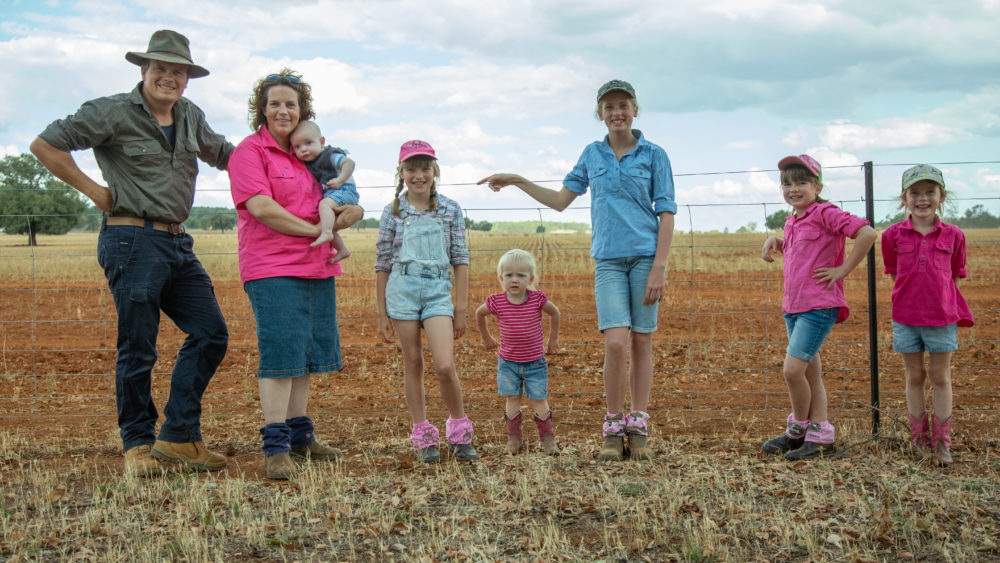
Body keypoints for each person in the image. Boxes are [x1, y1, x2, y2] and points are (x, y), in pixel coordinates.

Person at [30, 30, 232, 477]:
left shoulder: (190, 116)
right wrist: (94, 192)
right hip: (131, 240)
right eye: (160, 68)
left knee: (211, 333)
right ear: (143, 70)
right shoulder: (111, 112)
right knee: (139, 346)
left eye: (178, 72)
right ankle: (137, 444)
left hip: (179, 241)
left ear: (187, 79)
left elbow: (227, 156)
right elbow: (45, 144)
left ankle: (179, 437)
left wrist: (298, 162)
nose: (169, 78)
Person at [479, 79, 675, 462]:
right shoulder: (592, 155)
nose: (616, 112)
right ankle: (612, 424)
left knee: (641, 342)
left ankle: (638, 427)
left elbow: (666, 213)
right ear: (600, 114)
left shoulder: (654, 154)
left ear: (635, 109)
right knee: (616, 342)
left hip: (645, 258)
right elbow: (559, 201)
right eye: (608, 107)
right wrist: (518, 180)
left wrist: (659, 267)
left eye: (623, 105)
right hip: (608, 260)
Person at [228, 70, 364, 480]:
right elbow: (262, 209)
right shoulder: (251, 152)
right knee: (281, 353)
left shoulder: (312, 152)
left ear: (302, 109)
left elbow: (341, 195)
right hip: (272, 267)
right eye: (275, 103)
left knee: (305, 353)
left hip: (316, 265)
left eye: (291, 103)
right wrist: (319, 232)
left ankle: (302, 439)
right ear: (262, 110)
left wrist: (350, 214)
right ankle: (275, 447)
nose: (283, 110)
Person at [760, 154, 877, 460]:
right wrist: (777, 240)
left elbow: (867, 233)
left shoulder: (826, 213)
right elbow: (804, 251)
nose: (793, 189)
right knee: (811, 372)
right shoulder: (793, 220)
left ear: (817, 186)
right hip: (794, 306)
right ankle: (818, 434)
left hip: (818, 306)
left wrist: (843, 270)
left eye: (801, 182)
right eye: (787, 183)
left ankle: (798, 429)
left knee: (792, 370)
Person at [376, 140, 478, 463]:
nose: (418, 175)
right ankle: (422, 435)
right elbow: (382, 264)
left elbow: (460, 258)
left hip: (437, 292)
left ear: (435, 171)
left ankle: (459, 433)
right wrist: (381, 313)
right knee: (414, 362)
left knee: (445, 365)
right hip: (402, 291)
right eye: (411, 168)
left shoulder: (450, 209)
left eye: (424, 168)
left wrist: (459, 308)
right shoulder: (393, 211)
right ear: (401, 172)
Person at [881, 165, 973, 466]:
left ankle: (942, 443)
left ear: (941, 196)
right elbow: (894, 274)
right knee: (915, 375)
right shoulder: (892, 235)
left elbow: (955, 276)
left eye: (930, 192)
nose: (923, 199)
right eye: (915, 193)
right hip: (905, 316)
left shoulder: (955, 235)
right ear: (904, 198)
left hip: (942, 317)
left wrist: (940, 301)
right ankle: (918, 440)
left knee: (940, 376)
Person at [475, 249, 561, 455]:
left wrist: (553, 339)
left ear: (530, 279)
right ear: (501, 278)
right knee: (512, 398)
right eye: (509, 275)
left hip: (535, 362)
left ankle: (548, 440)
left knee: (539, 399)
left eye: (521, 275)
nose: (515, 280)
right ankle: (514, 440)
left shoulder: (537, 299)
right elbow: (479, 313)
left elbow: (555, 312)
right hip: (508, 363)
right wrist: (486, 337)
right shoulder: (497, 301)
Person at [289, 120, 359, 262]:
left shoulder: (329, 155)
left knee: (324, 206)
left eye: (308, 143)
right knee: (328, 220)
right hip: (334, 194)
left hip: (345, 190)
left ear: (321, 141)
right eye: (297, 146)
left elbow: (349, 163)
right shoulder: (311, 163)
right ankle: (342, 249)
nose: (303, 149)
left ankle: (326, 233)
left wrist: (340, 179)